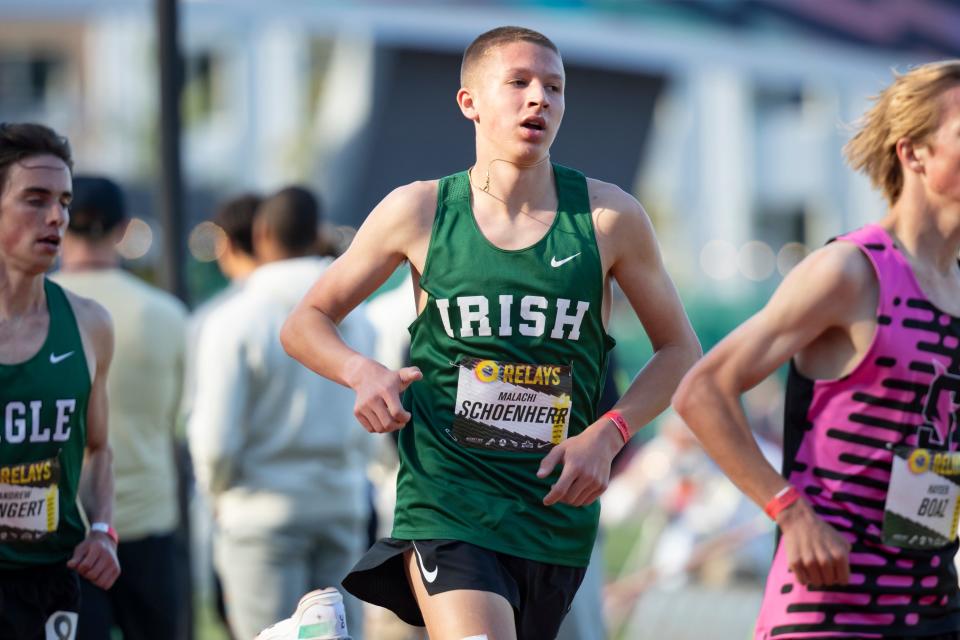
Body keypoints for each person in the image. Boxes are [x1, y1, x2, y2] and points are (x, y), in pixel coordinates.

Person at [281, 26, 700, 640]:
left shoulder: (609, 218)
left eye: (554, 87)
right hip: (447, 497)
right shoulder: (419, 210)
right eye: (519, 83)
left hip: (553, 508)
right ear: (469, 102)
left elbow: (680, 350)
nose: (540, 100)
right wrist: (361, 371)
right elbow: (304, 322)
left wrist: (609, 435)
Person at [673, 60, 960, 639]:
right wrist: (790, 513)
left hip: (932, 601)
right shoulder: (851, 271)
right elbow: (701, 392)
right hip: (831, 605)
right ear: (914, 153)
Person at [188, 186, 376, 640]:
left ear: (263, 232)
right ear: (316, 236)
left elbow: (215, 441)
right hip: (341, 501)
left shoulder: (235, 318)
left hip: (260, 513)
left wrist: (218, 495)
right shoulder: (359, 317)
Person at [52, 175, 188, 640]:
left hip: (66, 523)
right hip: (150, 516)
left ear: (62, 219)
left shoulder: (38, 310)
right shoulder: (166, 313)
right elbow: (183, 418)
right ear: (124, 227)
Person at [0, 123, 120, 638]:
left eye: (65, 202)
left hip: (54, 577)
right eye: (35, 199)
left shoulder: (90, 322)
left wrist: (102, 532)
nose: (57, 217)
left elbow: (98, 449)